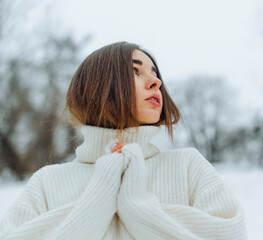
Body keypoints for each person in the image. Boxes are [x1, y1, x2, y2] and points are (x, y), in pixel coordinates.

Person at [0, 41, 248, 240]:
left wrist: (136, 206)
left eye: (154, 73)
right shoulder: (47, 183)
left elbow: (230, 233)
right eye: (134, 71)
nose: (156, 82)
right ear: (97, 86)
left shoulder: (188, 167)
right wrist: (99, 199)